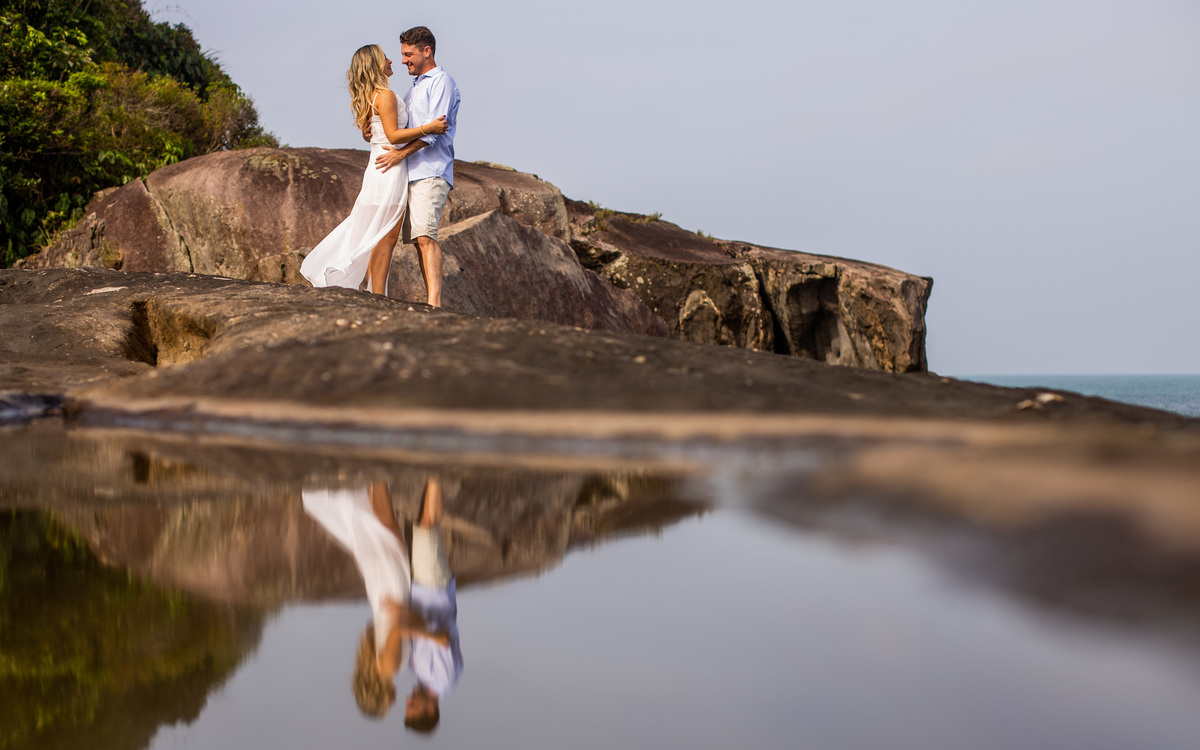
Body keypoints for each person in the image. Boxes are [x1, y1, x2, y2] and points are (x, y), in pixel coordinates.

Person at [301, 44, 448, 295]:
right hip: (389, 168)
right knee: (386, 237)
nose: (392, 61)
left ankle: (375, 293)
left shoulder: (371, 95)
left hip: (378, 166)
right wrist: (428, 128)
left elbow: (376, 132)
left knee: (379, 235)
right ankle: (377, 295)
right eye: (385, 58)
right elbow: (392, 135)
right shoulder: (385, 95)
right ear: (375, 65)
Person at [375, 26, 460, 308]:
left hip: (431, 170)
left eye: (408, 54)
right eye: (402, 54)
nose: (403, 61)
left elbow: (434, 133)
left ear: (427, 51)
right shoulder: (414, 90)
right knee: (417, 240)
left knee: (425, 236)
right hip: (410, 173)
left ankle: (434, 304)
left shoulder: (441, 82)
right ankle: (430, 302)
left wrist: (400, 156)